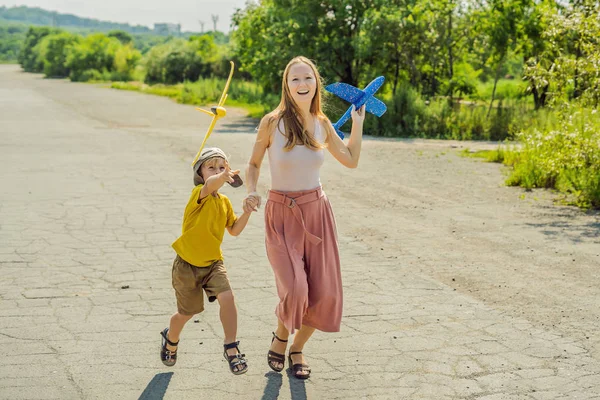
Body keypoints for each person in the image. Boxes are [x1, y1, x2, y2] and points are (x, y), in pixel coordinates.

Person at [244, 56, 366, 379]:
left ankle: (296, 349)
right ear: (287, 84)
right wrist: (251, 189)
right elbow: (253, 163)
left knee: (324, 293)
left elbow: (351, 160)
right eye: (295, 79)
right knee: (296, 288)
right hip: (281, 214)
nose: (302, 84)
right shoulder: (272, 122)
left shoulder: (323, 124)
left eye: (307, 78)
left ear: (316, 84)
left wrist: (357, 122)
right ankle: (281, 336)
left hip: (317, 212)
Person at [160, 147, 257, 375]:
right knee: (187, 313)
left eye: (223, 167)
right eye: (211, 167)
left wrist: (247, 212)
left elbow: (233, 230)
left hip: (213, 263)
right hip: (187, 264)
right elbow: (210, 185)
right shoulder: (199, 194)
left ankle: (231, 346)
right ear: (200, 173)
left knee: (228, 298)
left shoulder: (223, 202)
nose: (218, 171)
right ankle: (171, 338)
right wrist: (220, 176)